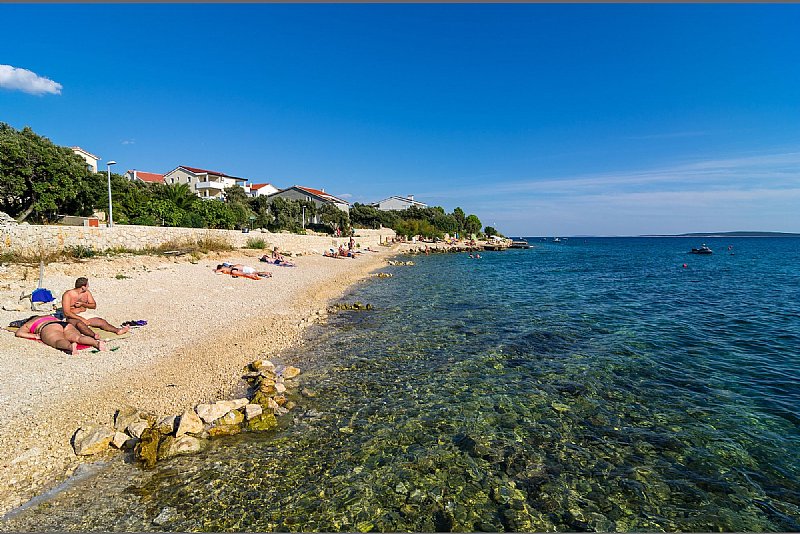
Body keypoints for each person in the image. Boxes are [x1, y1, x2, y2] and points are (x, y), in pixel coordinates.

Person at [61, 278, 129, 337]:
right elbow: (67, 312)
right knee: (80, 325)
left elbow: (93, 306)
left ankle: (117, 330)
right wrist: (81, 319)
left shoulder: (87, 293)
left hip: (84, 314)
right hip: (73, 316)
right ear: (83, 287)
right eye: (87, 285)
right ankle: (94, 336)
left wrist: (83, 304)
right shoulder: (68, 294)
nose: (88, 286)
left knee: (101, 322)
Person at [15, 314, 107, 355]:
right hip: (64, 324)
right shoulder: (49, 316)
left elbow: (19, 333)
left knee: (57, 341)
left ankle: (70, 347)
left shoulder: (31, 322)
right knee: (79, 338)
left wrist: (34, 336)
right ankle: (96, 343)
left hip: (49, 326)